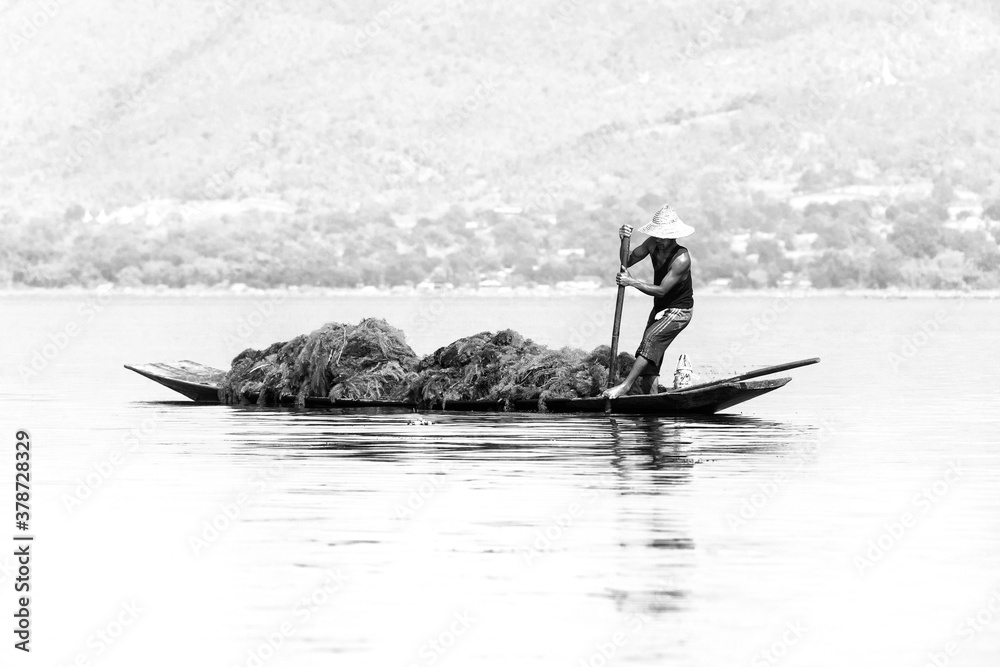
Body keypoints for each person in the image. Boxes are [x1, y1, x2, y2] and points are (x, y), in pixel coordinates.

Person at [603, 205, 694, 398]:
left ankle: (625, 386)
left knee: (650, 340)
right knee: (650, 360)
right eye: (657, 235)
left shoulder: (681, 258)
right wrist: (623, 240)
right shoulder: (652, 243)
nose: (659, 239)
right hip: (660, 308)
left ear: (673, 236)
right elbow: (627, 261)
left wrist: (631, 282)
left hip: (679, 311)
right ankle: (651, 399)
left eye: (664, 236)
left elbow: (661, 291)